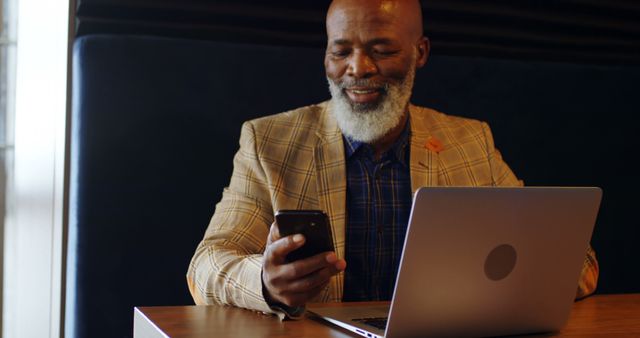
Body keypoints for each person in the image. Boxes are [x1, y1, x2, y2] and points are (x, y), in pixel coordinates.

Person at [187, 0, 599, 319]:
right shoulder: (268, 141)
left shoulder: (470, 141)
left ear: (420, 52)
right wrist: (265, 283)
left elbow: (576, 261)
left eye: (381, 50)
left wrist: (505, 286)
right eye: (341, 50)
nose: (358, 68)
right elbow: (206, 266)